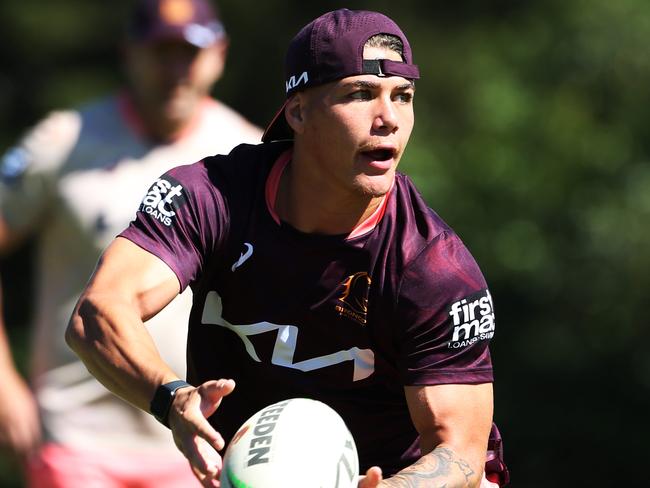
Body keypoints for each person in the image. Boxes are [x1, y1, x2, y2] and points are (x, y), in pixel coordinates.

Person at [66, 8, 509, 488]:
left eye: (403, 96)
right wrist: (171, 400)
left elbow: (460, 454)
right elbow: (98, 314)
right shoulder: (212, 197)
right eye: (360, 94)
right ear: (298, 112)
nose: (389, 119)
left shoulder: (432, 267)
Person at [0, 0, 261, 486]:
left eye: (191, 52)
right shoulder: (63, 142)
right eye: (161, 51)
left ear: (220, 54)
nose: (176, 69)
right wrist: (4, 385)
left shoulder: (247, 156)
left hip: (198, 446)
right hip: (74, 440)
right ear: (129, 53)